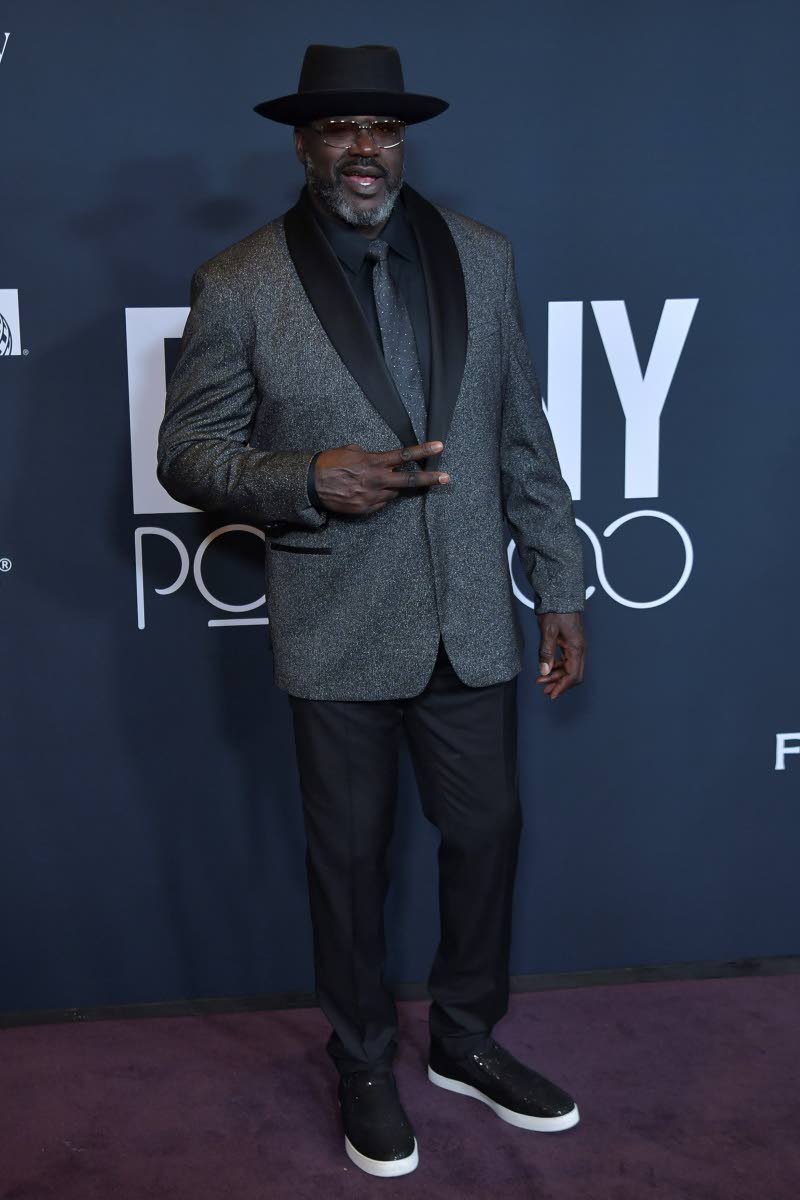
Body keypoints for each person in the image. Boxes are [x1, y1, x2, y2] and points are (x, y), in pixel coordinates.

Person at [157, 43, 586, 1179]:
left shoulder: (483, 260)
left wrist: (557, 580)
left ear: (401, 143)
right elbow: (187, 453)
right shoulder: (241, 279)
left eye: (381, 130)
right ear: (302, 145)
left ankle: (462, 1038)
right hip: (339, 626)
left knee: (487, 834)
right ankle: (358, 1060)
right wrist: (304, 478)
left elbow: (520, 436)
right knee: (349, 867)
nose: (362, 148)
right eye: (339, 130)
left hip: (469, 625)